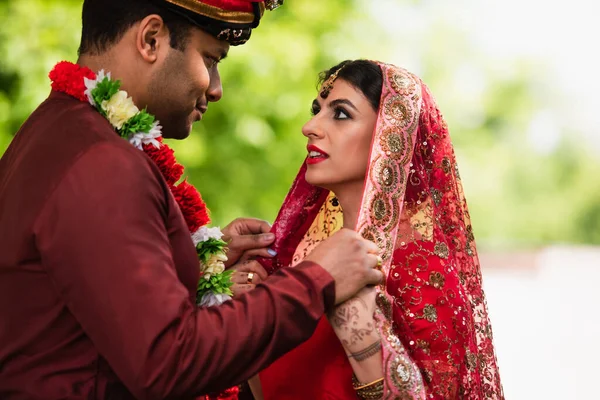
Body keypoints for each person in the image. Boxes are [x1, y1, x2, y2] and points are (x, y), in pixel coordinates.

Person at [0, 2, 384, 398]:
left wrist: (196, 262)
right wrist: (317, 279)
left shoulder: (57, 131)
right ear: (151, 39)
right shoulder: (103, 162)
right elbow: (167, 362)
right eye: (211, 58)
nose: (216, 89)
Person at [254, 60, 504, 399]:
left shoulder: (420, 266)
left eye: (340, 114)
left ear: (390, 137)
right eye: (317, 109)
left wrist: (357, 326)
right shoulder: (305, 258)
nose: (310, 126)